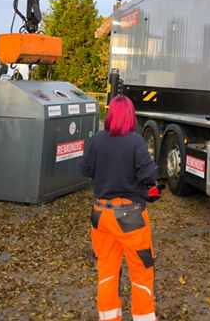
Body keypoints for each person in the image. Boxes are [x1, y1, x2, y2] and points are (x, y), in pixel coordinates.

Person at [79, 95, 159, 321]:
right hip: (131, 218)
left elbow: (84, 169)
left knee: (107, 273)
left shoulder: (97, 141)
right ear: (130, 117)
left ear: (111, 115)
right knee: (141, 273)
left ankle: (109, 317)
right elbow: (149, 174)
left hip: (101, 216)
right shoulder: (135, 142)